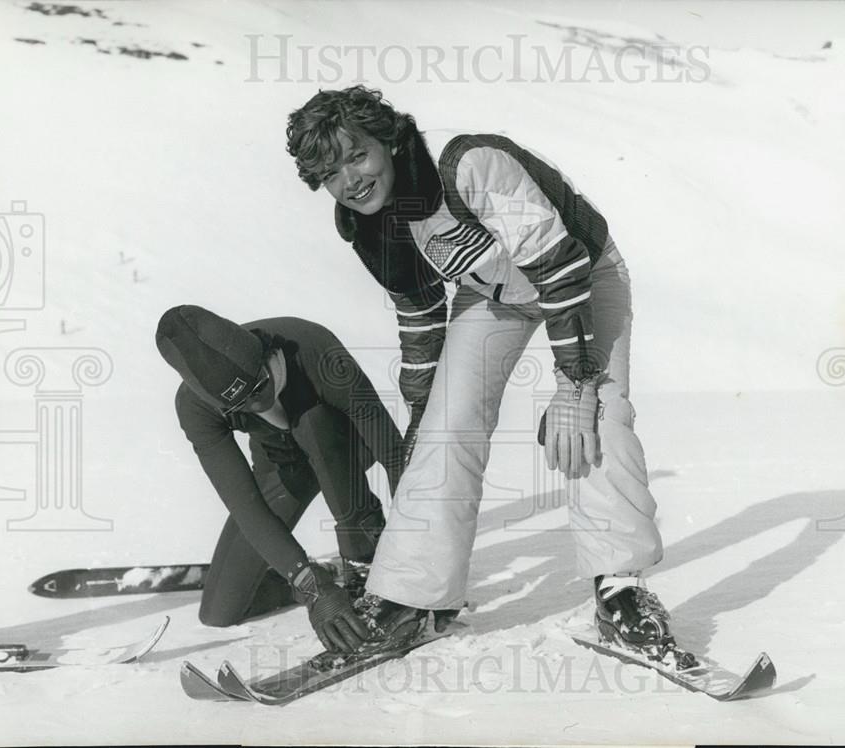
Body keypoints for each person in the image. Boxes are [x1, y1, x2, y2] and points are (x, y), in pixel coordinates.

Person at [284, 85, 681, 660]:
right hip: (493, 294)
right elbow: (419, 314)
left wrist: (575, 382)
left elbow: (560, 265)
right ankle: (411, 597)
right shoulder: (365, 222)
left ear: (389, 142)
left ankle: (620, 590)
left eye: (357, 155)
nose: (351, 179)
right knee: (445, 429)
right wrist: (423, 409)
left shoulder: (469, 165)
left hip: (583, 276)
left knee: (598, 418)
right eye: (330, 173)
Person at [155, 304, 404, 653]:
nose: (259, 406)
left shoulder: (311, 346)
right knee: (218, 612)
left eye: (259, 386)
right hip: (285, 467)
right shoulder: (195, 407)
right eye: (241, 406)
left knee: (314, 423)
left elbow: (393, 454)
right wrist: (308, 581)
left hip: (343, 448)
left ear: (268, 354)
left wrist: (416, 554)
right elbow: (245, 504)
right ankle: (320, 577)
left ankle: (363, 553)